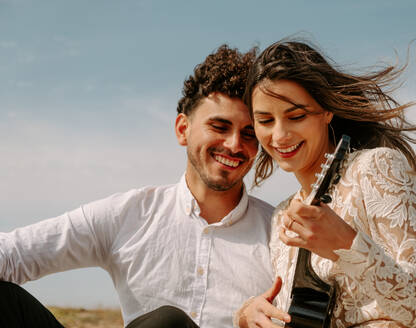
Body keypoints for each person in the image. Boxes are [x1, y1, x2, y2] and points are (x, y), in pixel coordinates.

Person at [0, 45, 275, 328]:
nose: (234, 145)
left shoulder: (279, 235)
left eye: (248, 134)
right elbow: (12, 253)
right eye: (219, 127)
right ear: (183, 129)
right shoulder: (130, 213)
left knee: (168, 324)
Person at [235, 40, 416, 328]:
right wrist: (245, 315)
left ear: (326, 111)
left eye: (296, 116)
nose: (279, 136)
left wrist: (347, 246)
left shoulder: (375, 169)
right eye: (265, 120)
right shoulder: (282, 216)